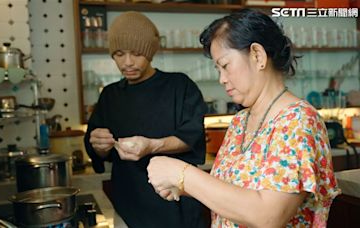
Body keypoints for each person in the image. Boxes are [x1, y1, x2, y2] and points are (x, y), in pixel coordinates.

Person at [147, 9, 340, 228]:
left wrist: (183, 175)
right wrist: (183, 187)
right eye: (217, 69)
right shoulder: (240, 122)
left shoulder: (298, 120)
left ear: (257, 55)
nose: (221, 79)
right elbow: (233, 191)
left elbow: (268, 216)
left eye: (226, 66)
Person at [84, 11, 208, 228]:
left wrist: (151, 146)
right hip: (128, 207)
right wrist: (100, 145)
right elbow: (98, 152)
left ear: (150, 52)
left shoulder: (179, 86)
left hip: (177, 207)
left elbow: (192, 136)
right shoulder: (110, 95)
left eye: (136, 53)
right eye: (120, 54)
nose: (128, 62)